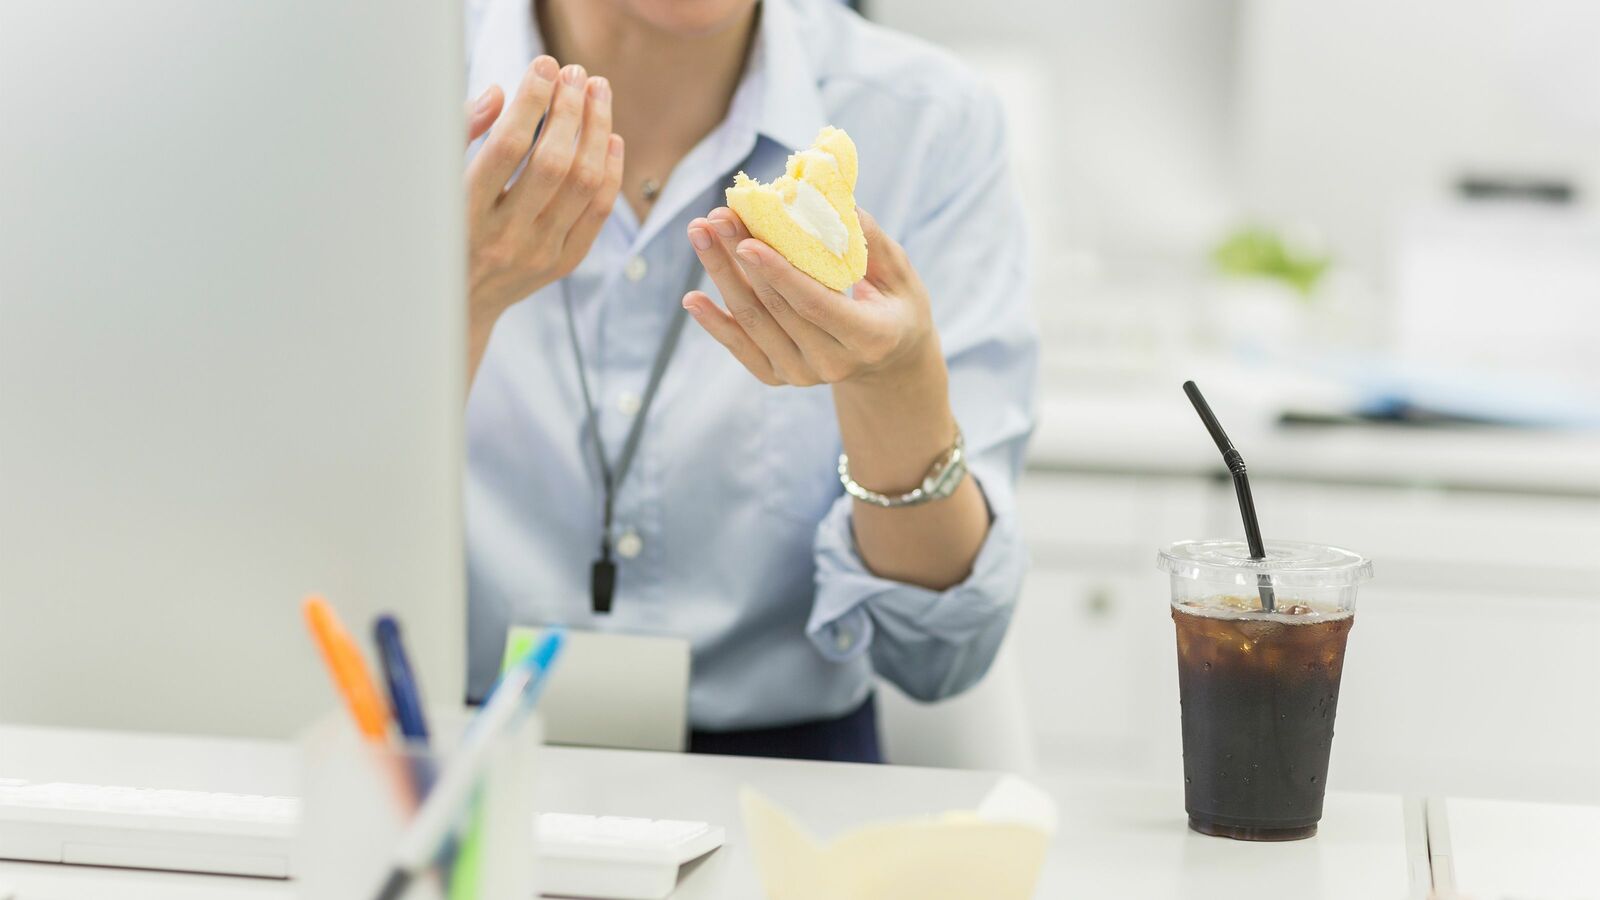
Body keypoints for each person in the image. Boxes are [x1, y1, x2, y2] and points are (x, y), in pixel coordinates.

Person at [461, 0, 1037, 763]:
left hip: (786, 783)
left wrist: (894, 385)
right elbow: (281, 577)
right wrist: (455, 305)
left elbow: (938, 653)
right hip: (438, 761)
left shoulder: (928, 122)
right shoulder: (372, 84)